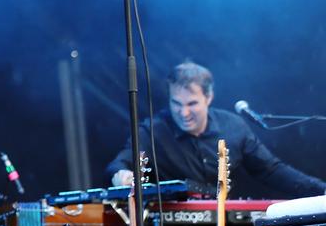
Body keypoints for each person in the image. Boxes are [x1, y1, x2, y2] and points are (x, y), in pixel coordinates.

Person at [107, 61, 325, 196]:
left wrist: (320, 189)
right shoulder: (152, 131)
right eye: (177, 103)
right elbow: (120, 162)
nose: (183, 112)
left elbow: (271, 170)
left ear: (208, 97)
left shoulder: (233, 126)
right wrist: (121, 174)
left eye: (192, 103)